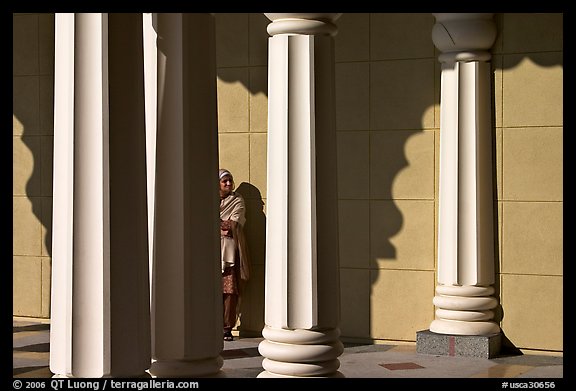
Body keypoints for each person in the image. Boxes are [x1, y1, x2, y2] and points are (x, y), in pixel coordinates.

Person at [219, 169, 250, 341]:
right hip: (210, 253)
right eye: (225, 181)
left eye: (231, 180)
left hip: (230, 254)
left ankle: (226, 327)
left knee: (230, 291)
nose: (229, 184)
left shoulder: (237, 201)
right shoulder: (210, 199)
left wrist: (220, 225)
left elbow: (234, 224)